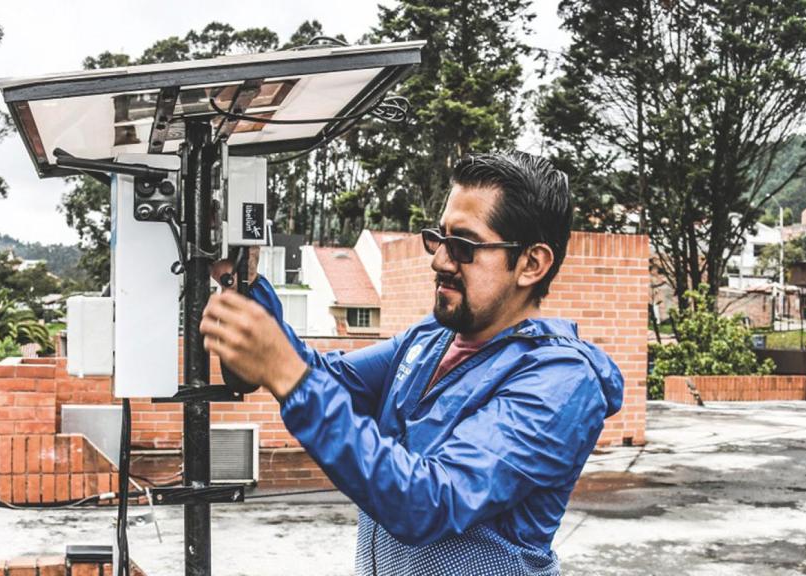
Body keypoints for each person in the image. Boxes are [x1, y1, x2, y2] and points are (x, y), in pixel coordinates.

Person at [200, 151, 624, 575]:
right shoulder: (433, 337)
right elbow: (320, 377)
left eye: (464, 245)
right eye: (438, 239)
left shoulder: (561, 382)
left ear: (531, 264)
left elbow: (427, 501)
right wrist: (248, 285)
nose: (439, 260)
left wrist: (288, 376)